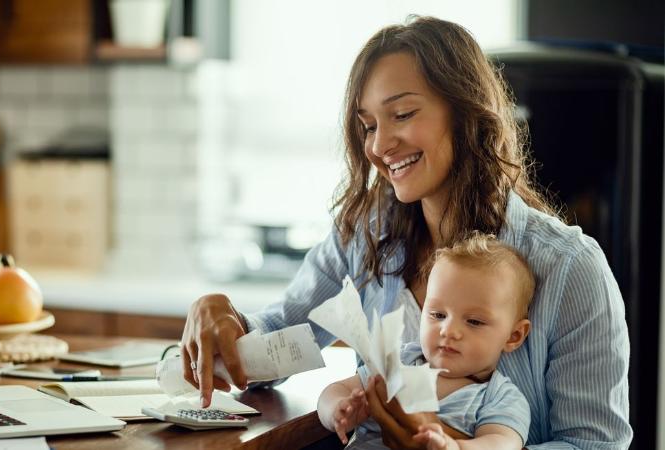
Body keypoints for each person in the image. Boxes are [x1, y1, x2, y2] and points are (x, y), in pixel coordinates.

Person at [181, 16, 632, 448]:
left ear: (465, 112)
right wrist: (225, 323)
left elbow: (595, 445)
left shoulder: (570, 268)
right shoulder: (364, 236)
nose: (378, 146)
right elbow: (281, 338)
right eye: (368, 125)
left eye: (402, 114)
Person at [319, 233, 534, 450]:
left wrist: (455, 447)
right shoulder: (400, 361)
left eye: (474, 321)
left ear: (514, 336)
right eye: (438, 315)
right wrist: (338, 410)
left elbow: (502, 444)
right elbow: (337, 389)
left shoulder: (499, 397)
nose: (448, 330)